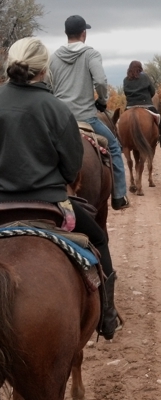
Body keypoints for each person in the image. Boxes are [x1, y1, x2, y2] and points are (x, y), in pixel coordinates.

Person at [0, 37, 121, 340]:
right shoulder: (58, 110)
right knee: (97, 238)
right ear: (43, 71)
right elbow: (71, 168)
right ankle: (107, 317)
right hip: (49, 203)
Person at [49, 15, 129, 211]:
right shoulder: (90, 54)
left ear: (66, 33)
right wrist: (102, 100)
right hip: (86, 117)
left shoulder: (54, 57)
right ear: (83, 34)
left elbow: (48, 86)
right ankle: (119, 196)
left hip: (59, 120)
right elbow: (100, 81)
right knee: (114, 148)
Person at [123, 60, 161, 152]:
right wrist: (147, 98)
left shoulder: (126, 80)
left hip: (130, 106)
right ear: (140, 68)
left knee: (120, 122)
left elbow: (126, 93)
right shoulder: (145, 77)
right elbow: (152, 91)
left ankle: (120, 144)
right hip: (146, 104)